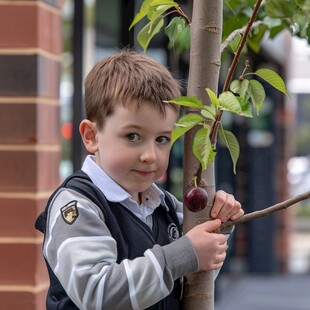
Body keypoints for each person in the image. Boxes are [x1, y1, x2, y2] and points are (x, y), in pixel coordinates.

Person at [35, 50, 244, 310]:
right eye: (133, 136)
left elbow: (196, 275)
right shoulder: (78, 207)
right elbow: (96, 292)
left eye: (162, 139)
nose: (149, 155)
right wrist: (184, 254)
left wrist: (218, 223)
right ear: (91, 136)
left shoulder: (165, 206)